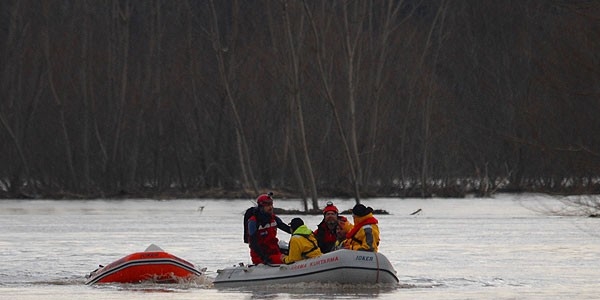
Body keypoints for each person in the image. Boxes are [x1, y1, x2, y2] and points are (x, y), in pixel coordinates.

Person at [247, 193, 291, 265]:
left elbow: (287, 229)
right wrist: (263, 257)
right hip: (262, 256)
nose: (270, 208)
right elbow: (253, 243)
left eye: (271, 205)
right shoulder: (253, 222)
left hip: (275, 251)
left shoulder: (273, 218)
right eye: (267, 206)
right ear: (261, 207)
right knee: (289, 259)